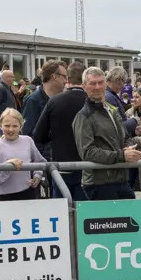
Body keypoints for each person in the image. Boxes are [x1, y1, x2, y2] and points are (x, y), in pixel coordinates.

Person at [73, 67, 141, 200]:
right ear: (84, 87)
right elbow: (87, 152)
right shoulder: (83, 116)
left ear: (106, 84)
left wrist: (129, 147)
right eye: (92, 83)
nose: (97, 87)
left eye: (100, 82)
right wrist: (122, 155)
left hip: (121, 179)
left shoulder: (112, 110)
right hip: (99, 183)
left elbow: (125, 136)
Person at [33, 61, 89, 201]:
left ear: (68, 79)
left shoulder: (54, 101)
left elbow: (38, 135)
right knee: (84, 211)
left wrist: (55, 135)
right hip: (87, 166)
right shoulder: (92, 101)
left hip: (62, 166)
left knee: (61, 209)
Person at [0, 108, 45, 201]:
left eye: (15, 126)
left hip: (27, 191)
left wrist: (37, 175)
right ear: (0, 126)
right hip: (5, 194)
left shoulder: (28, 141)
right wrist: (8, 166)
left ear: (21, 126)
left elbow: (40, 161)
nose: (11, 129)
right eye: (7, 126)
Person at [22, 61, 67, 158]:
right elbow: (28, 135)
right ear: (54, 76)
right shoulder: (33, 101)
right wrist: (44, 156)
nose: (66, 81)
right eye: (64, 76)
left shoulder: (63, 99)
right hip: (43, 160)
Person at [0, 70, 19, 135]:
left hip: (8, 119)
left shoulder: (7, 88)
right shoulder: (0, 88)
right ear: (6, 78)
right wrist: (3, 115)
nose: (14, 79)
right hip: (3, 121)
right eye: (12, 77)